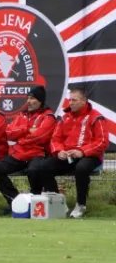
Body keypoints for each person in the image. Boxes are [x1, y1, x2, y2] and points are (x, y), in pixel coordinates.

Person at [28, 88, 109, 219]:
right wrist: (59, 151)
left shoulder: (97, 117)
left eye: (74, 100)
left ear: (84, 101)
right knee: (43, 167)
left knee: (81, 168)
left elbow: (102, 142)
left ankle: (81, 204)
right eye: (70, 100)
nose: (71, 103)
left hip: (90, 156)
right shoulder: (64, 118)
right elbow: (55, 139)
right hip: (68, 155)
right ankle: (58, 203)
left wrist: (82, 151)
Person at [0, 86, 56, 212]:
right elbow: (8, 132)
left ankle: (35, 202)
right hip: (19, 154)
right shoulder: (21, 115)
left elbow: (41, 136)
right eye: (28, 98)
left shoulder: (48, 116)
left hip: (38, 153)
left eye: (32, 98)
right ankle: (15, 202)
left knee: (34, 170)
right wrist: (26, 130)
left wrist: (21, 139)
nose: (28, 101)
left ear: (40, 101)